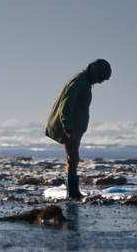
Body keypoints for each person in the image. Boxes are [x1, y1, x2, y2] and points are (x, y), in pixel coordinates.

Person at [45, 58, 112, 200]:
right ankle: (73, 194)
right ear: (95, 71)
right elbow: (66, 105)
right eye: (101, 78)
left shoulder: (85, 83)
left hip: (74, 127)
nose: (100, 82)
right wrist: (68, 126)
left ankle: (73, 193)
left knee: (72, 159)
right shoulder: (79, 82)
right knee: (73, 159)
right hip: (70, 128)